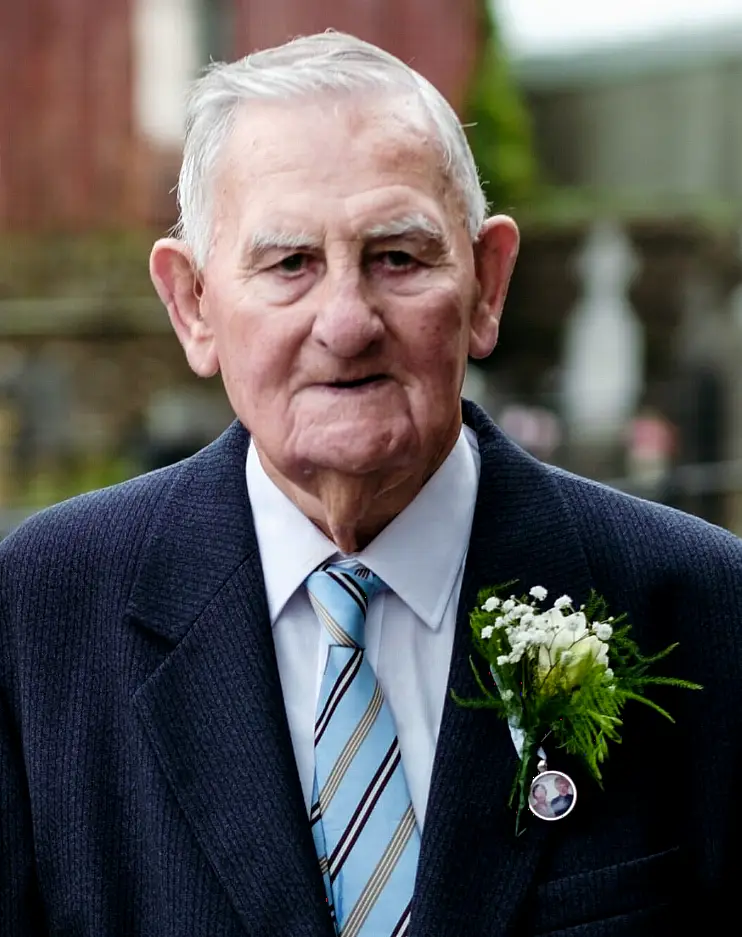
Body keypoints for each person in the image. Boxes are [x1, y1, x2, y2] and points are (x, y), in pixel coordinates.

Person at [1, 30, 740, 937]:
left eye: (398, 257)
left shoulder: (699, 606)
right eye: (289, 264)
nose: (346, 323)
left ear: (488, 284)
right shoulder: (41, 615)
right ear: (192, 304)